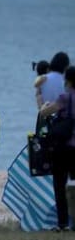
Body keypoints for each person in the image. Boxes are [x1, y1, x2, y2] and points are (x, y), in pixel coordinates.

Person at [39, 65, 75, 231]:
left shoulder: (64, 98)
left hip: (63, 148)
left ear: (67, 80)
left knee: (60, 185)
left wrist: (40, 98)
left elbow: (45, 113)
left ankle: (63, 224)